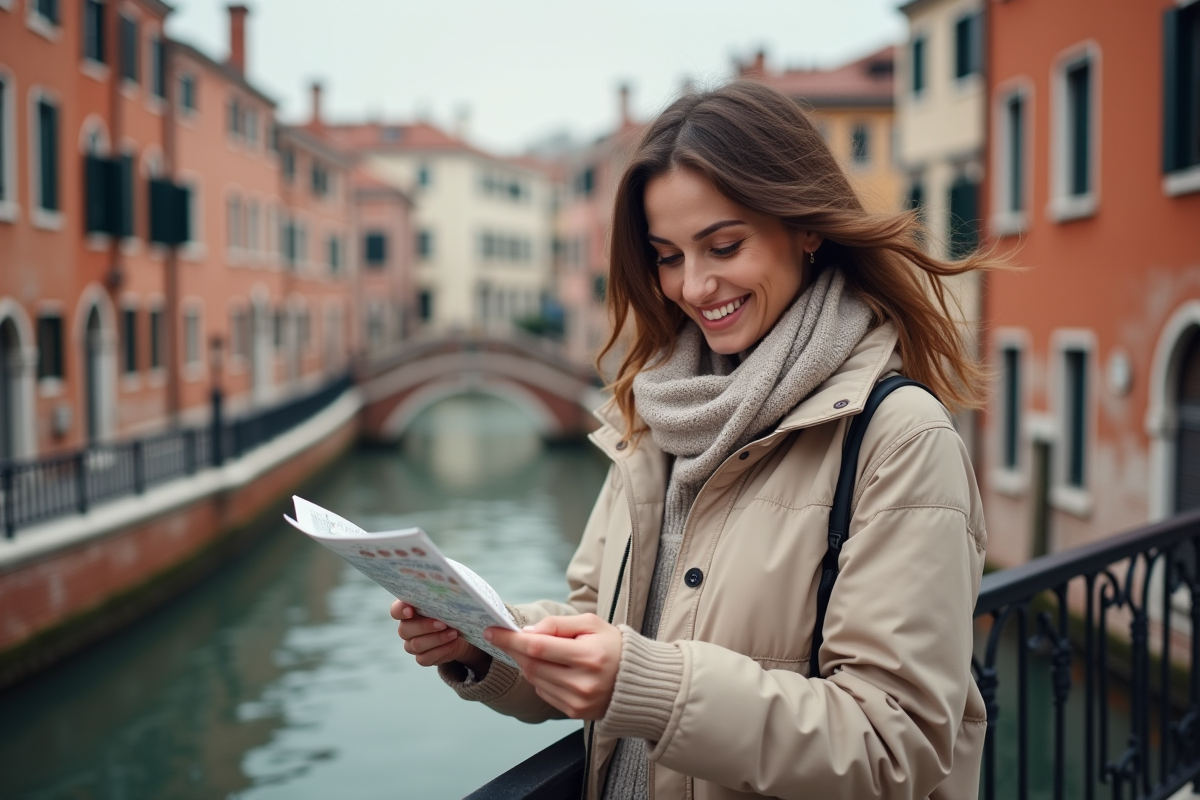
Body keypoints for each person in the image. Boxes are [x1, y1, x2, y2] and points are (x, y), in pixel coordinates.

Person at [391, 80, 989, 800]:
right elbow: (597, 626)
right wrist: (488, 640)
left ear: (806, 227)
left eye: (724, 245)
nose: (695, 285)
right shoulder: (657, 414)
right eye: (668, 256)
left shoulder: (901, 439)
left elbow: (897, 744)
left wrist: (648, 685)